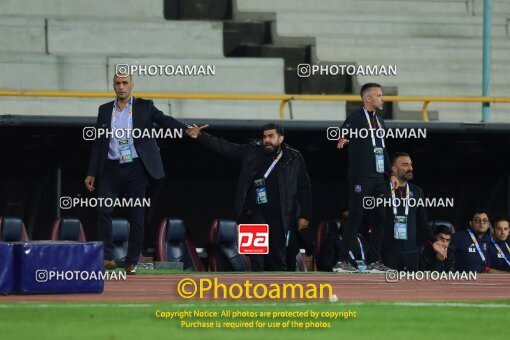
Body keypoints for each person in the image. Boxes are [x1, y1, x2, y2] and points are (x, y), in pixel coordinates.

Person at [84, 73, 205, 274]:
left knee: (136, 213)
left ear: (131, 85)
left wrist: (185, 130)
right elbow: (98, 143)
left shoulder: (144, 106)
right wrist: (91, 172)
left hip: (136, 168)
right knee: (102, 210)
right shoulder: (104, 110)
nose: (121, 87)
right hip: (111, 168)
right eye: (118, 83)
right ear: (113, 86)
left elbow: (164, 120)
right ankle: (107, 257)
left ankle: (132, 259)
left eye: (125, 83)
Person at [190, 123, 312, 271]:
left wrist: (305, 215)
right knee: (257, 259)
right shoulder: (252, 151)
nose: (266, 139)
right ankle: (257, 290)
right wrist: (202, 136)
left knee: (279, 259)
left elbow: (304, 188)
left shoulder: (294, 157)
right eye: (264, 136)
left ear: (281, 139)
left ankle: (279, 291)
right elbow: (226, 148)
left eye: (271, 136)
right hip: (255, 213)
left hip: (282, 216)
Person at [335, 83, 399, 273]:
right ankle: (342, 261)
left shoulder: (381, 122)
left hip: (379, 178)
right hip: (360, 177)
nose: (383, 98)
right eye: (379, 95)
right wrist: (342, 138)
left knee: (380, 218)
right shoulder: (355, 118)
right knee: (355, 218)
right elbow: (342, 133)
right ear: (368, 98)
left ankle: (374, 263)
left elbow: (383, 151)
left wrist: (391, 174)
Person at [380, 152, 446, 271]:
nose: (410, 168)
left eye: (410, 164)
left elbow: (422, 222)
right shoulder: (382, 189)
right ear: (394, 169)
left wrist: (434, 241)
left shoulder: (416, 191)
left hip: (411, 253)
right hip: (387, 252)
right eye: (405, 165)